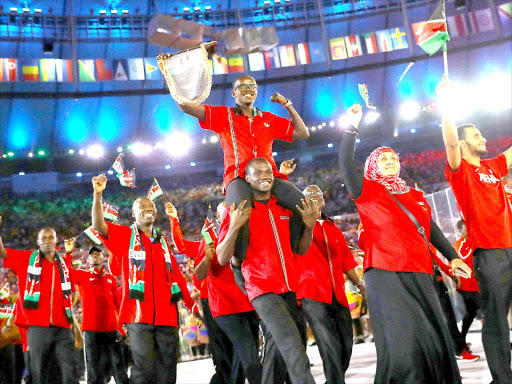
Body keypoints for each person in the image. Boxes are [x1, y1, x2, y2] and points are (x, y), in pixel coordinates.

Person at [338, 104, 472, 384]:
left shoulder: (414, 194)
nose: (390, 162)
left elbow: (431, 229)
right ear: (373, 166)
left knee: (430, 331)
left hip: (420, 269)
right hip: (385, 272)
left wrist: (452, 256)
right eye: (383, 159)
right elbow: (345, 165)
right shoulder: (366, 190)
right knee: (404, 335)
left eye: (393, 159)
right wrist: (351, 128)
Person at [176, 75, 309, 260]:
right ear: (234, 93)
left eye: (252, 86)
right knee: (240, 216)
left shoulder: (268, 119)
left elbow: (302, 133)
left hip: (268, 177)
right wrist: (175, 81)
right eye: (242, 86)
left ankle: (292, 252)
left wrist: (287, 104)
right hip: (237, 177)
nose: (248, 89)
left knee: (304, 206)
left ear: (256, 91)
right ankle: (239, 266)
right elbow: (185, 107)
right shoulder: (224, 116)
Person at [217, 157, 319, 384]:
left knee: (277, 347)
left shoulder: (285, 209)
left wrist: (309, 227)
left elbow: (300, 250)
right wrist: (234, 225)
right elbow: (223, 256)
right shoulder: (238, 211)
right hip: (261, 289)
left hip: (290, 288)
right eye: (258, 172)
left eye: (269, 171)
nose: (266, 175)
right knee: (293, 344)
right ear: (247, 179)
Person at [437, 77, 512, 384]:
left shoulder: (492, 167)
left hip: (510, 247)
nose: (483, 138)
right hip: (490, 254)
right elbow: (451, 142)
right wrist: (446, 102)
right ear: (465, 143)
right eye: (476, 135)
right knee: (496, 321)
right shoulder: (461, 171)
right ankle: (502, 379)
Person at [90, 174, 199, 384]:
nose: (148, 209)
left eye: (151, 207)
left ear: (156, 213)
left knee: (168, 370)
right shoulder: (123, 237)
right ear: (133, 214)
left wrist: (191, 305)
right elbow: (98, 224)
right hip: (138, 315)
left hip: (167, 315)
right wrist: (97, 195)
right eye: (142, 207)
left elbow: (176, 276)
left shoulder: (163, 243)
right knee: (145, 369)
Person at [167, 201, 244, 384]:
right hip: (211, 300)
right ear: (217, 217)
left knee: (242, 344)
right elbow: (181, 245)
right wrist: (173, 220)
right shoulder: (206, 243)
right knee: (219, 344)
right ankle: (225, 377)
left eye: (229, 210)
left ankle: (236, 377)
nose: (226, 214)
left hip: (239, 299)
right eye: (222, 211)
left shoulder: (240, 237)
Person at [297, 184, 366, 384]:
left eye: (317, 196)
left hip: (338, 293)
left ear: (324, 201)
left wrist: (360, 284)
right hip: (312, 294)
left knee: (346, 344)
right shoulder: (297, 226)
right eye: (309, 197)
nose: (314, 200)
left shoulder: (333, 227)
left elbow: (346, 260)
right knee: (329, 346)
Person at [0, 216, 78, 384]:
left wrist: (69, 255)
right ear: (38, 241)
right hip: (37, 327)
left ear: (57, 240)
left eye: (51, 237)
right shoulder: (26, 259)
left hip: (62, 326)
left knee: (69, 368)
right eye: (44, 238)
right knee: (39, 372)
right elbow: (2, 252)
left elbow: (71, 290)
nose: (48, 241)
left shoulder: (63, 264)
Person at [64, 239, 129, 384]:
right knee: (93, 367)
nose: (95, 256)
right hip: (91, 329)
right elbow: (65, 271)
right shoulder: (82, 276)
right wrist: (68, 253)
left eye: (98, 254)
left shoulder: (111, 279)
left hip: (112, 328)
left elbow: (117, 304)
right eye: (92, 255)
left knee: (119, 365)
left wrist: (123, 327)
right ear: (88, 259)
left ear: (103, 258)